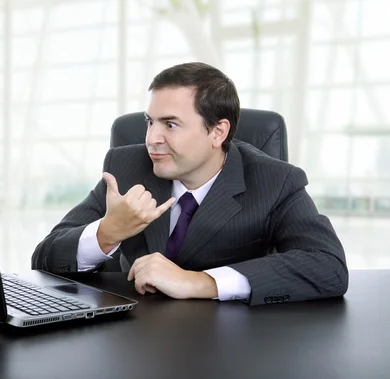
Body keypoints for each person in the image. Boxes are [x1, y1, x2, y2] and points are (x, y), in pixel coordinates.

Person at [31, 62, 348, 305]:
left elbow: (328, 266)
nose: (152, 139)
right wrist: (106, 233)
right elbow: (44, 257)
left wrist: (199, 282)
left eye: (170, 124)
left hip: (230, 347)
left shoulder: (275, 181)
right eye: (150, 122)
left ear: (218, 132)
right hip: (135, 340)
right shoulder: (126, 168)